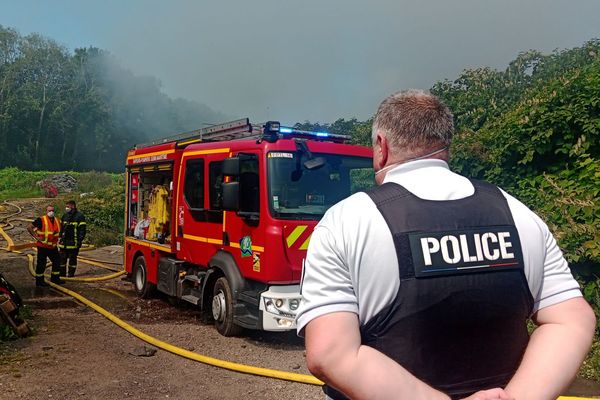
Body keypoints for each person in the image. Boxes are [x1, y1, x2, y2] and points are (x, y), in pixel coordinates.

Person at [296, 89, 596, 400]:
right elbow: (572, 319)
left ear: (382, 147)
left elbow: (330, 353)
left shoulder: (345, 222)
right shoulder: (517, 213)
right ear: (444, 144)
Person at [28, 205, 63, 287]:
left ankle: (55, 279)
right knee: (41, 264)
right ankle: (39, 282)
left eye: (53, 210)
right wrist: (36, 237)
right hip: (42, 247)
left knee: (57, 262)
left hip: (52, 247)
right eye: (49, 210)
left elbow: (58, 232)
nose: (51, 212)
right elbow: (29, 227)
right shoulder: (41, 220)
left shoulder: (57, 220)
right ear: (46, 211)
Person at [59, 200, 86, 277]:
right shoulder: (65, 215)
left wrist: (79, 241)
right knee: (62, 260)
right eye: (66, 206)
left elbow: (82, 230)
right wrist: (60, 238)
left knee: (72, 260)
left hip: (73, 243)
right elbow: (61, 228)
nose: (66, 208)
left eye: (68, 206)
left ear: (73, 206)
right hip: (63, 243)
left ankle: (71, 274)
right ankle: (62, 274)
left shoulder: (79, 216)